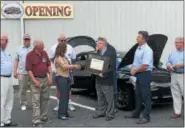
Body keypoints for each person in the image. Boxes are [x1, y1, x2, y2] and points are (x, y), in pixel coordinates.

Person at [124, 31, 153, 124]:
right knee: (138, 95)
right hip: (139, 74)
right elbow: (135, 62)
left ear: (144, 39)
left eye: (139, 37)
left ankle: (146, 116)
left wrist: (135, 71)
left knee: (146, 96)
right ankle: (136, 113)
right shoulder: (138, 48)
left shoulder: (147, 50)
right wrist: (132, 68)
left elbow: (145, 65)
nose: (137, 38)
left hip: (145, 74)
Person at [26, 40, 53, 127]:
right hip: (36, 79)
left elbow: (48, 65)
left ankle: (43, 117)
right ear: (36, 47)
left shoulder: (44, 53)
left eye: (43, 47)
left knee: (45, 99)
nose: (43, 48)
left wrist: (50, 77)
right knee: (36, 101)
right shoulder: (30, 55)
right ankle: (36, 120)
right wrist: (34, 81)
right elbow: (29, 70)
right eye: (41, 47)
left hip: (45, 78)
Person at [49, 34, 76, 111]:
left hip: (68, 71)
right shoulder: (53, 48)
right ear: (58, 40)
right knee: (59, 89)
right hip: (58, 72)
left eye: (65, 40)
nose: (63, 42)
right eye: (61, 40)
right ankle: (59, 104)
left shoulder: (70, 47)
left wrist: (70, 66)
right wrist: (58, 65)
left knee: (69, 89)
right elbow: (51, 59)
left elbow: (73, 58)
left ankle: (69, 104)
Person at [54, 42, 81, 120]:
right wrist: (74, 66)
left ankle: (65, 113)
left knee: (66, 96)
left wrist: (72, 67)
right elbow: (64, 66)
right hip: (61, 78)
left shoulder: (64, 57)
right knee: (63, 97)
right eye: (65, 48)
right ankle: (61, 114)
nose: (66, 49)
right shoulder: (58, 57)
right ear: (62, 48)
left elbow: (67, 65)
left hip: (66, 78)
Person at [93, 37, 117, 121]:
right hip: (98, 78)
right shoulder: (99, 51)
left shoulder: (111, 52)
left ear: (102, 44)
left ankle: (110, 114)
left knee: (109, 98)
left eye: (98, 43)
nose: (97, 45)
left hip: (106, 79)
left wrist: (103, 73)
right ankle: (101, 112)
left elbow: (113, 67)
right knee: (100, 96)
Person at [1, 33, 18, 127]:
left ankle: (7, 120)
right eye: (3, 40)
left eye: (6, 40)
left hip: (9, 78)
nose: (4, 42)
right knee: (1, 100)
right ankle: (0, 121)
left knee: (9, 100)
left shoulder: (7, 53)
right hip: (1, 78)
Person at [13, 34, 32, 111]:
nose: (26, 41)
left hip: (32, 72)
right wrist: (15, 71)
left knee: (34, 89)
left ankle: (35, 104)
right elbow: (16, 60)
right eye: (25, 39)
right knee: (22, 89)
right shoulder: (19, 49)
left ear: (30, 40)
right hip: (21, 72)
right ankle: (23, 103)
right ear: (23, 40)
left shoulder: (33, 49)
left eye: (28, 39)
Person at [166, 37, 184, 119]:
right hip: (173, 75)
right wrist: (169, 65)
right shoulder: (172, 53)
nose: (176, 44)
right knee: (176, 95)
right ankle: (177, 112)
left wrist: (182, 64)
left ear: (183, 43)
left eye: (178, 42)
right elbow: (168, 61)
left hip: (182, 75)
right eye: (175, 42)